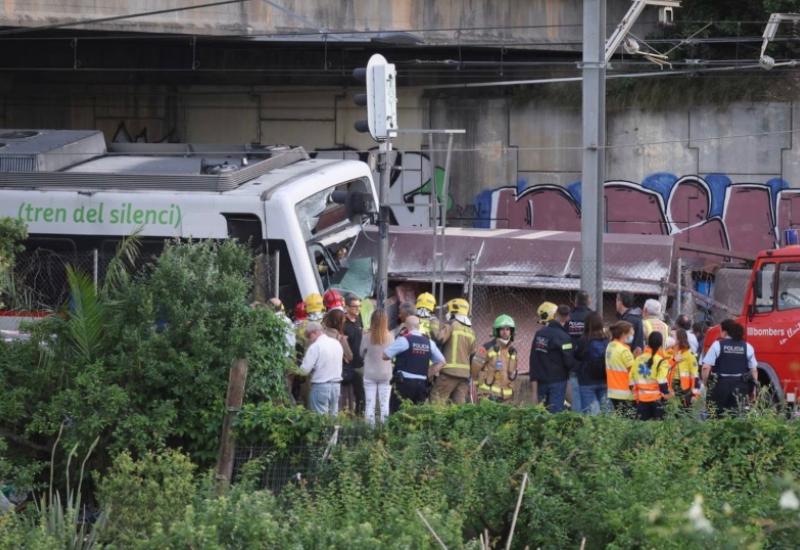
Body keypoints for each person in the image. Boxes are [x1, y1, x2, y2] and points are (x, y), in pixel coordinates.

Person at [384, 315, 446, 411]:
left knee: (397, 413)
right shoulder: (429, 342)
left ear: (406, 326)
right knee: (417, 415)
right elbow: (442, 362)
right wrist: (427, 373)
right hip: (421, 384)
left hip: (404, 383)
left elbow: (385, 355)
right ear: (418, 326)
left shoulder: (404, 340)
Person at [701, 320, 758, 415]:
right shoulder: (747, 347)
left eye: (720, 331)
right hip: (740, 386)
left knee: (716, 416)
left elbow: (705, 367)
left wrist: (706, 383)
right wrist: (754, 390)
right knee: (737, 416)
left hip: (720, 386)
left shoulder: (717, 345)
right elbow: (754, 370)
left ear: (725, 332)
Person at [530, 303, 575, 413]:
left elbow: (533, 360)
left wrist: (533, 390)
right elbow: (569, 362)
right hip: (557, 382)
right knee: (554, 416)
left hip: (541, 382)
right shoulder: (564, 337)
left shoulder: (539, 334)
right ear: (566, 317)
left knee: (540, 415)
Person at [430, 298, 477, 404]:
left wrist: (433, 321)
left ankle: (437, 421)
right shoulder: (471, 332)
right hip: (464, 376)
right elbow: (473, 355)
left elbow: (439, 338)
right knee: (459, 406)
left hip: (449, 373)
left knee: (437, 401)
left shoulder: (451, 325)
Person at [298, 321, 344, 416]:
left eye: (309, 337)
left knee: (320, 420)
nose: (309, 340)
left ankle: (323, 431)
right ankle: (334, 431)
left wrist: (294, 370)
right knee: (333, 418)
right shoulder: (336, 343)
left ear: (314, 333)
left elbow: (304, 370)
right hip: (336, 385)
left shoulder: (315, 347)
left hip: (320, 385)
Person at [471, 314, 518, 402]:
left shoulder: (513, 352)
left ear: (511, 331)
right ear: (496, 331)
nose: (505, 332)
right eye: (502, 329)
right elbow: (475, 368)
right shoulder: (486, 348)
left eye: (508, 329)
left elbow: (512, 374)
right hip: (488, 395)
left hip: (506, 397)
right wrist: (477, 385)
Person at [359, 309, 393, 425]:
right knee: (384, 405)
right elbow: (392, 355)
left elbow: (361, 353)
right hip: (385, 374)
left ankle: (369, 431)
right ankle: (384, 430)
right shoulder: (390, 336)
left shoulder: (366, 336)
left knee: (370, 404)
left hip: (370, 374)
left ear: (372, 321)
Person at [629, 332, 671, 420]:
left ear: (648, 342)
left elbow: (631, 380)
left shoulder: (638, 359)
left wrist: (634, 397)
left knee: (643, 429)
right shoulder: (661, 361)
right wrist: (667, 394)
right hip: (657, 400)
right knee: (658, 428)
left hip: (641, 400)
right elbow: (661, 380)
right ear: (660, 344)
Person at [574, 311, 609, 415]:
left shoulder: (583, 340)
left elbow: (576, 356)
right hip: (604, 380)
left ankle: (593, 431)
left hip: (587, 381)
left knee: (592, 415)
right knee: (607, 413)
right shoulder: (606, 340)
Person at [566, 290, 593, 413]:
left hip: (572, 363)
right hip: (589, 363)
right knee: (589, 397)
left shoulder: (569, 317)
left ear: (575, 302)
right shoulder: (593, 317)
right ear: (588, 302)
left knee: (576, 396)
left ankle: (577, 422)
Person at [605, 320, 636, 413]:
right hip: (625, 392)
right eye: (631, 334)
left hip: (613, 391)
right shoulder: (624, 351)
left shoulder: (610, 346)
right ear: (623, 334)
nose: (632, 337)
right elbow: (633, 371)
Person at [343, 294, 365, 414]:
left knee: (360, 393)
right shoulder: (343, 323)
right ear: (346, 307)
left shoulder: (359, 319)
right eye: (354, 306)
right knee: (345, 392)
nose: (358, 309)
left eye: (359, 306)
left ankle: (359, 415)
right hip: (347, 363)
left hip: (359, 362)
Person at [669, 328, 701, 407]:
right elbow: (664, 368)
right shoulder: (669, 352)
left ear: (679, 339)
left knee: (683, 411)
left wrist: (695, 394)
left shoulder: (689, 356)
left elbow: (695, 376)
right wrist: (674, 360)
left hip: (685, 389)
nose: (670, 338)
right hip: (670, 387)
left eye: (673, 336)